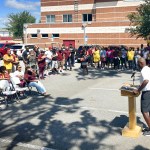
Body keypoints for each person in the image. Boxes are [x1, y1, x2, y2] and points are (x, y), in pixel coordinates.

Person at [133, 58, 150, 136]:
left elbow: (146, 80)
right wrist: (140, 86)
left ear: (140, 63)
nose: (138, 65)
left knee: (144, 111)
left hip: (147, 93)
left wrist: (138, 90)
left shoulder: (143, 70)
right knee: (148, 110)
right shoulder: (148, 68)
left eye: (138, 63)